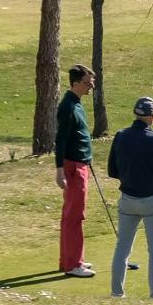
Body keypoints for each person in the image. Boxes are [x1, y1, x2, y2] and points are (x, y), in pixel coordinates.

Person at [107, 96, 153, 299]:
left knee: (123, 247)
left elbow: (112, 170)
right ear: (151, 117)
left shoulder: (120, 136)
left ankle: (117, 293)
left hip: (128, 200)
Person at [55, 64, 96, 277]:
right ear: (77, 83)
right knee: (75, 216)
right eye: (88, 83)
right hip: (72, 166)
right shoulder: (68, 106)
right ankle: (73, 265)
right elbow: (60, 140)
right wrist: (60, 170)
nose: (91, 86)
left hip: (80, 163)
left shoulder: (77, 103)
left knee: (70, 214)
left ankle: (69, 260)